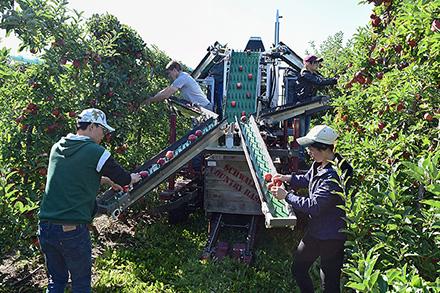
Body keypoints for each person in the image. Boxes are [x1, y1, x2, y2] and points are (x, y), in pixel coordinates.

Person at [38, 108, 142, 292]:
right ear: (93, 126)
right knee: (81, 284)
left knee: (56, 281)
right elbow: (123, 178)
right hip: (71, 228)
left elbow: (71, 174)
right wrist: (133, 177)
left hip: (45, 226)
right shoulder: (95, 151)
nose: (104, 134)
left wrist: (105, 180)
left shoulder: (58, 147)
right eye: (103, 129)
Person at [270, 125, 352, 293]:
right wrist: (288, 178)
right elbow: (309, 178)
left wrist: (286, 196)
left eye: (311, 148)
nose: (308, 152)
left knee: (329, 284)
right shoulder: (319, 164)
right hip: (316, 232)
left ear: (324, 148)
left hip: (332, 237)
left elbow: (314, 206)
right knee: (298, 269)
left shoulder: (333, 175)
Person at [144, 60, 213, 111]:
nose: (169, 76)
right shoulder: (183, 76)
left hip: (205, 108)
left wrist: (151, 100)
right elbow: (166, 90)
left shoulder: (182, 78)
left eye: (169, 73)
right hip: (201, 107)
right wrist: (154, 97)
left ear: (174, 70)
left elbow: (166, 94)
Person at [295, 55, 338, 137]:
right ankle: (300, 149)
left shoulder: (313, 74)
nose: (317, 64)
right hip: (301, 104)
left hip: (308, 105)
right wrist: (334, 81)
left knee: (306, 132)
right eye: (315, 62)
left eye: (318, 62)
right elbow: (319, 82)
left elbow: (323, 80)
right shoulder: (305, 74)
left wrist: (333, 80)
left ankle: (303, 149)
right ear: (307, 64)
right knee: (302, 132)